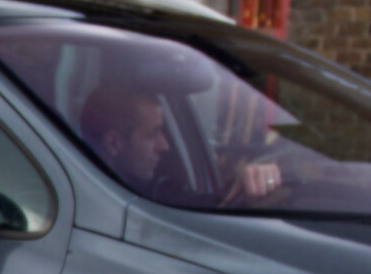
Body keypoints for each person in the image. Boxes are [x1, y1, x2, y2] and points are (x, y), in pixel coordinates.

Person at [79, 86, 282, 207]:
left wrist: (242, 186)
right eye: (152, 134)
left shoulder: (159, 189)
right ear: (114, 143)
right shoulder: (87, 204)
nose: (165, 145)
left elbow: (201, 204)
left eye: (163, 132)